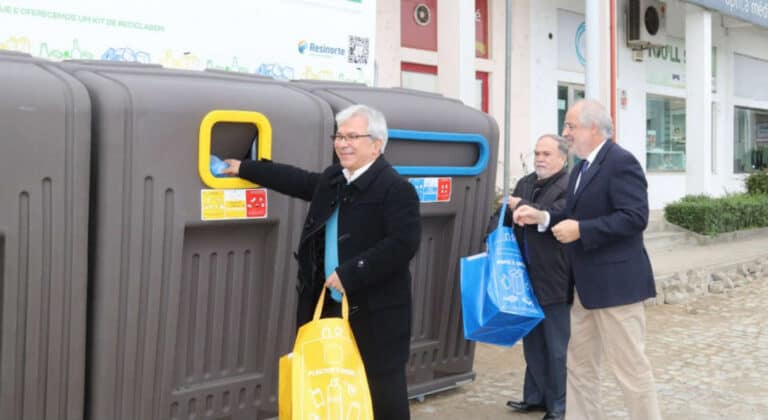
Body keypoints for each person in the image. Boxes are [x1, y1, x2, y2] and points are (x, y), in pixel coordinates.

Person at [222, 104, 421, 419]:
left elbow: (403, 245)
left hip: (376, 317)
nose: (343, 144)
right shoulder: (335, 179)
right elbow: (297, 180)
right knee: (331, 391)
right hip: (327, 305)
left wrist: (350, 274)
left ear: (377, 145)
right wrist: (246, 168)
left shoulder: (397, 189)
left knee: (382, 398)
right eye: (339, 137)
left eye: (352, 137)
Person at [513, 99, 661, 420]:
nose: (565, 132)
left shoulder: (621, 162)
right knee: (579, 368)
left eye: (570, 126)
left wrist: (581, 230)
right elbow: (571, 213)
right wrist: (542, 217)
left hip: (617, 290)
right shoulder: (581, 167)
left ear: (593, 128)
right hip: (584, 289)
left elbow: (635, 217)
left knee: (630, 370)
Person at [487, 135, 570, 420]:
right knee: (533, 342)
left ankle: (558, 406)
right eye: (537, 153)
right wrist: (492, 235)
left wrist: (523, 205)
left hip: (555, 277)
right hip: (522, 277)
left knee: (557, 347)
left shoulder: (569, 185)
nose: (540, 159)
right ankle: (535, 397)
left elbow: (557, 214)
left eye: (546, 154)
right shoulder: (526, 182)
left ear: (563, 158)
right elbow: (502, 214)